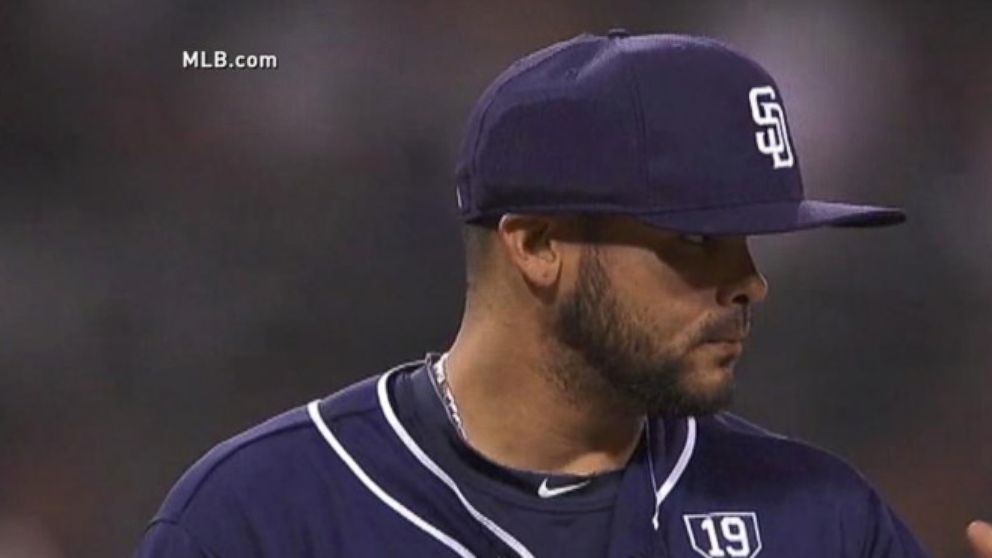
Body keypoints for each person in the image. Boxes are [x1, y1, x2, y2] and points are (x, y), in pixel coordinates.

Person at [133, 31, 930, 557]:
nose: (749, 280)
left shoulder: (821, 520)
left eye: (752, 240)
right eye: (694, 240)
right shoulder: (266, 518)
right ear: (539, 245)